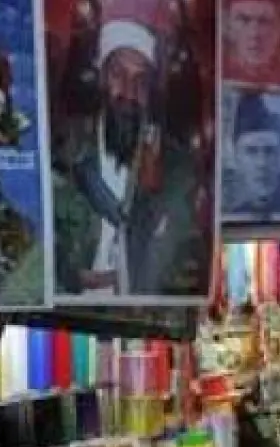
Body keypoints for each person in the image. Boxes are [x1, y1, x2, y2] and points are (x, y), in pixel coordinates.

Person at [54, 20, 195, 297]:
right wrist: (70, 275)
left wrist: (153, 196)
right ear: (102, 79)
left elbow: (184, 254)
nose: (129, 92)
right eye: (118, 75)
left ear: (151, 92)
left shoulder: (176, 164)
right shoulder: (65, 148)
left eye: (140, 81)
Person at [223, 0, 280, 85]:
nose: (254, 33)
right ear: (229, 27)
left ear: (279, 29)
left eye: (264, 21)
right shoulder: (219, 69)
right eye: (243, 20)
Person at [225, 92, 280, 217]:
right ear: (236, 158)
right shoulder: (230, 217)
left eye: (269, 151)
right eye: (251, 152)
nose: (262, 163)